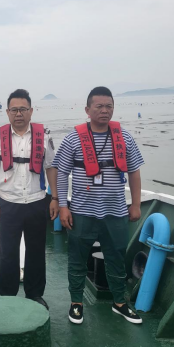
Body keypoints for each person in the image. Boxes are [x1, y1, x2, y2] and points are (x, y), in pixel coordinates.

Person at [52, 86, 144, 325]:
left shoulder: (125, 137)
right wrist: (63, 206)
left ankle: (120, 302)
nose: (105, 110)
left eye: (109, 106)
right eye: (99, 106)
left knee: (117, 257)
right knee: (77, 258)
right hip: (82, 212)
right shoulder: (73, 138)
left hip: (116, 212)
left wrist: (135, 204)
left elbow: (134, 172)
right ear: (87, 109)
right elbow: (61, 173)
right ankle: (76, 303)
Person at [0, 89, 59, 310]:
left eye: (23, 109)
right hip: (8, 202)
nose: (19, 114)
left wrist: (55, 198)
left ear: (31, 111)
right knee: (8, 252)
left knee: (36, 251)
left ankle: (35, 295)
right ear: (7, 112)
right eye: (14, 110)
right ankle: (8, 295)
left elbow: (51, 167)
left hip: (37, 202)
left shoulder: (44, 136)